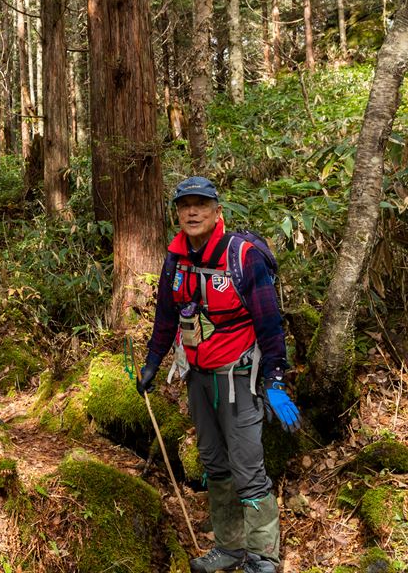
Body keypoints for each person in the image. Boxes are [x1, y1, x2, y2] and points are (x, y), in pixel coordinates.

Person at [136, 176, 301, 573]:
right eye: (184, 205)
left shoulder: (243, 257)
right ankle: (230, 548)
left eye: (201, 204)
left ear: (216, 211)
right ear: (177, 213)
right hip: (198, 376)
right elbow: (166, 316)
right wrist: (153, 361)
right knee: (214, 463)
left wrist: (275, 380)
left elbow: (269, 322)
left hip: (239, 375)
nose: (192, 212)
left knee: (246, 464)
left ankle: (262, 557)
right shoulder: (175, 259)